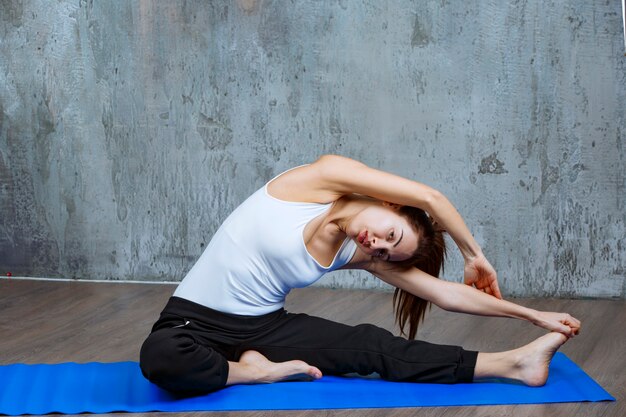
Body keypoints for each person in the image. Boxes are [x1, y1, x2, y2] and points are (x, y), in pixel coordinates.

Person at [139, 154, 581, 395]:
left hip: (265, 326)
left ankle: (514, 363)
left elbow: (447, 296)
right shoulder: (320, 181)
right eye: (390, 234)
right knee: (160, 355)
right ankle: (252, 373)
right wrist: (473, 254)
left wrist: (532, 316)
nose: (378, 245)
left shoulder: (361, 252)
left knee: (371, 347)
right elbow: (429, 197)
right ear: (390, 205)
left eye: (388, 251)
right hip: (193, 320)